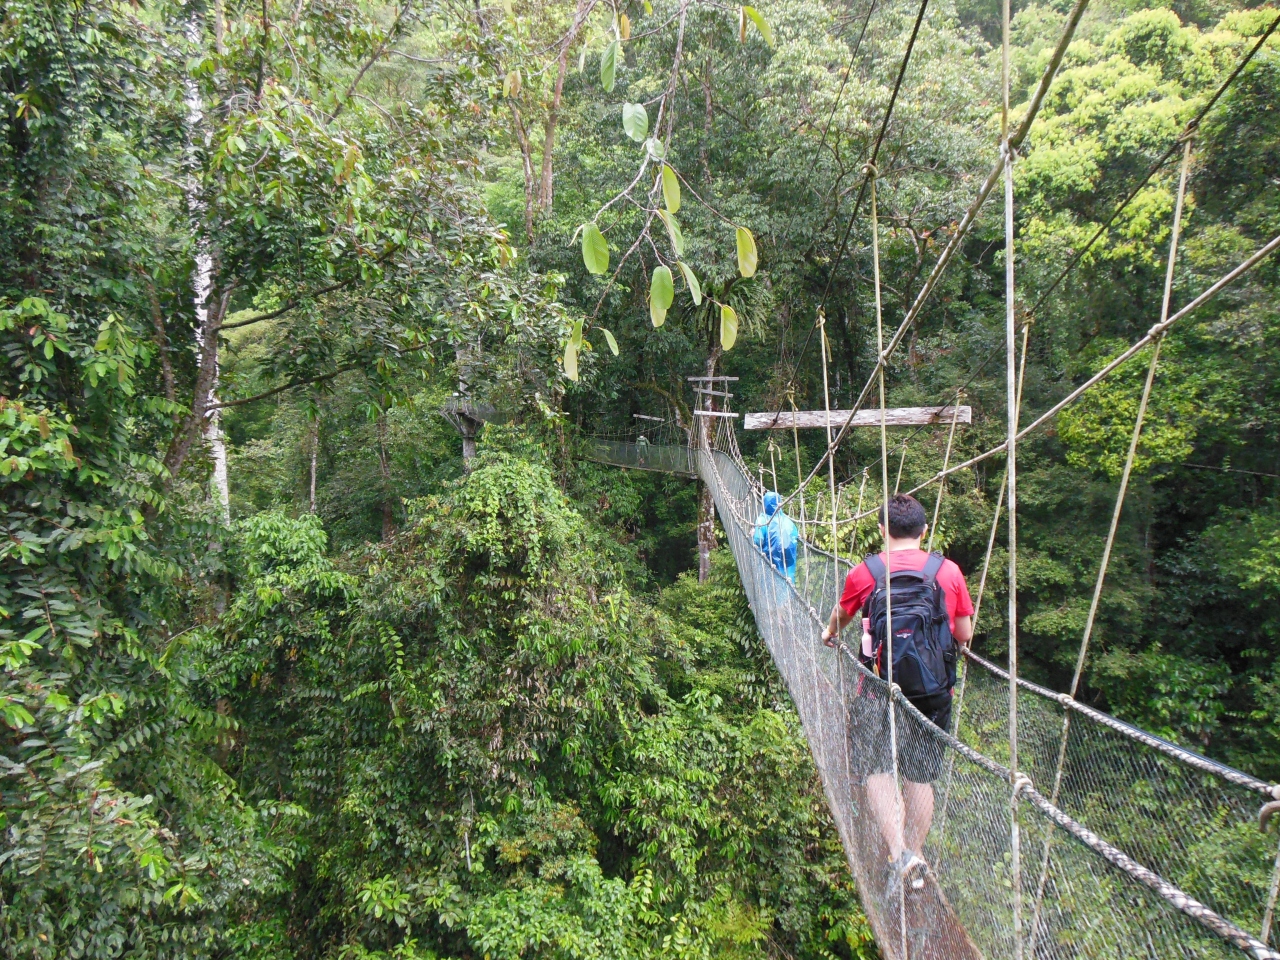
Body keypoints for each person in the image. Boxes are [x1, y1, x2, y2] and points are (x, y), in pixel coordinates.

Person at [820, 494, 974, 892]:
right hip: (933, 691)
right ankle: (917, 856)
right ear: (924, 531)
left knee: (876, 769)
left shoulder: (865, 571)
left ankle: (898, 851)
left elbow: (842, 615)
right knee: (920, 777)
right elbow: (964, 635)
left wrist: (829, 633)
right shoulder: (949, 572)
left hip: (876, 687)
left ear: (882, 530)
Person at [753, 490, 798, 581]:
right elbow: (795, 536)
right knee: (787, 582)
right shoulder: (788, 521)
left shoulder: (762, 520)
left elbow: (758, 540)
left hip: (770, 563)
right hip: (788, 562)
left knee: (772, 585)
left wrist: (753, 534)